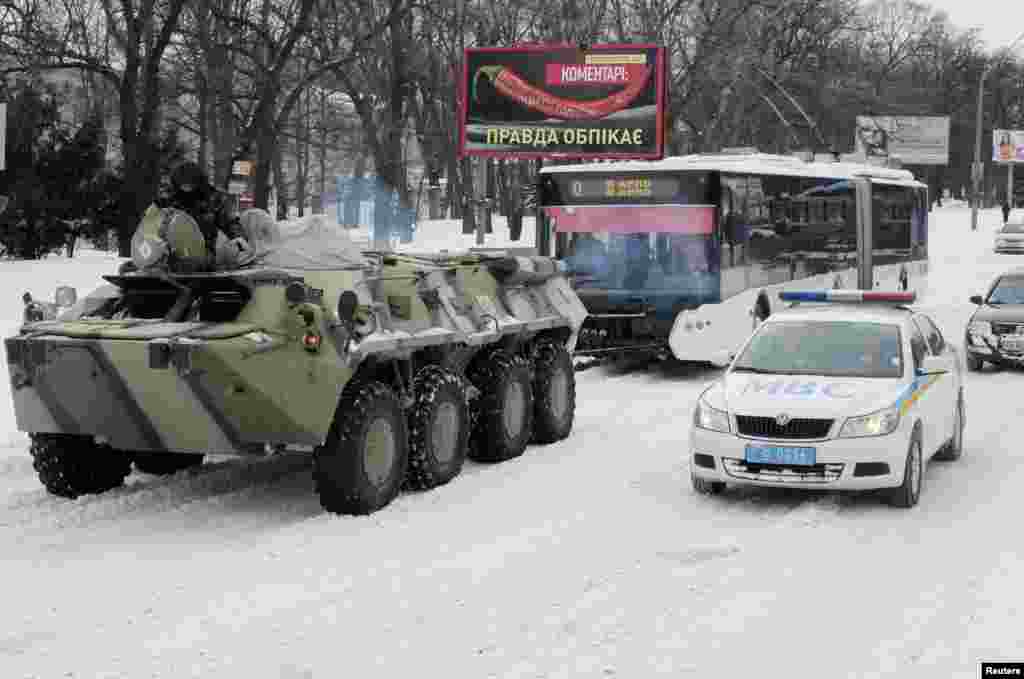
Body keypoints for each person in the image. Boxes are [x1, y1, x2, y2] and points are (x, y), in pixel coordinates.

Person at [158, 161, 248, 263]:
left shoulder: (213, 198)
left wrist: (240, 241)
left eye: (189, 184)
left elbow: (230, 223)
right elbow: (154, 225)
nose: (186, 188)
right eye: (183, 184)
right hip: (172, 255)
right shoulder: (169, 199)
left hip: (204, 255)